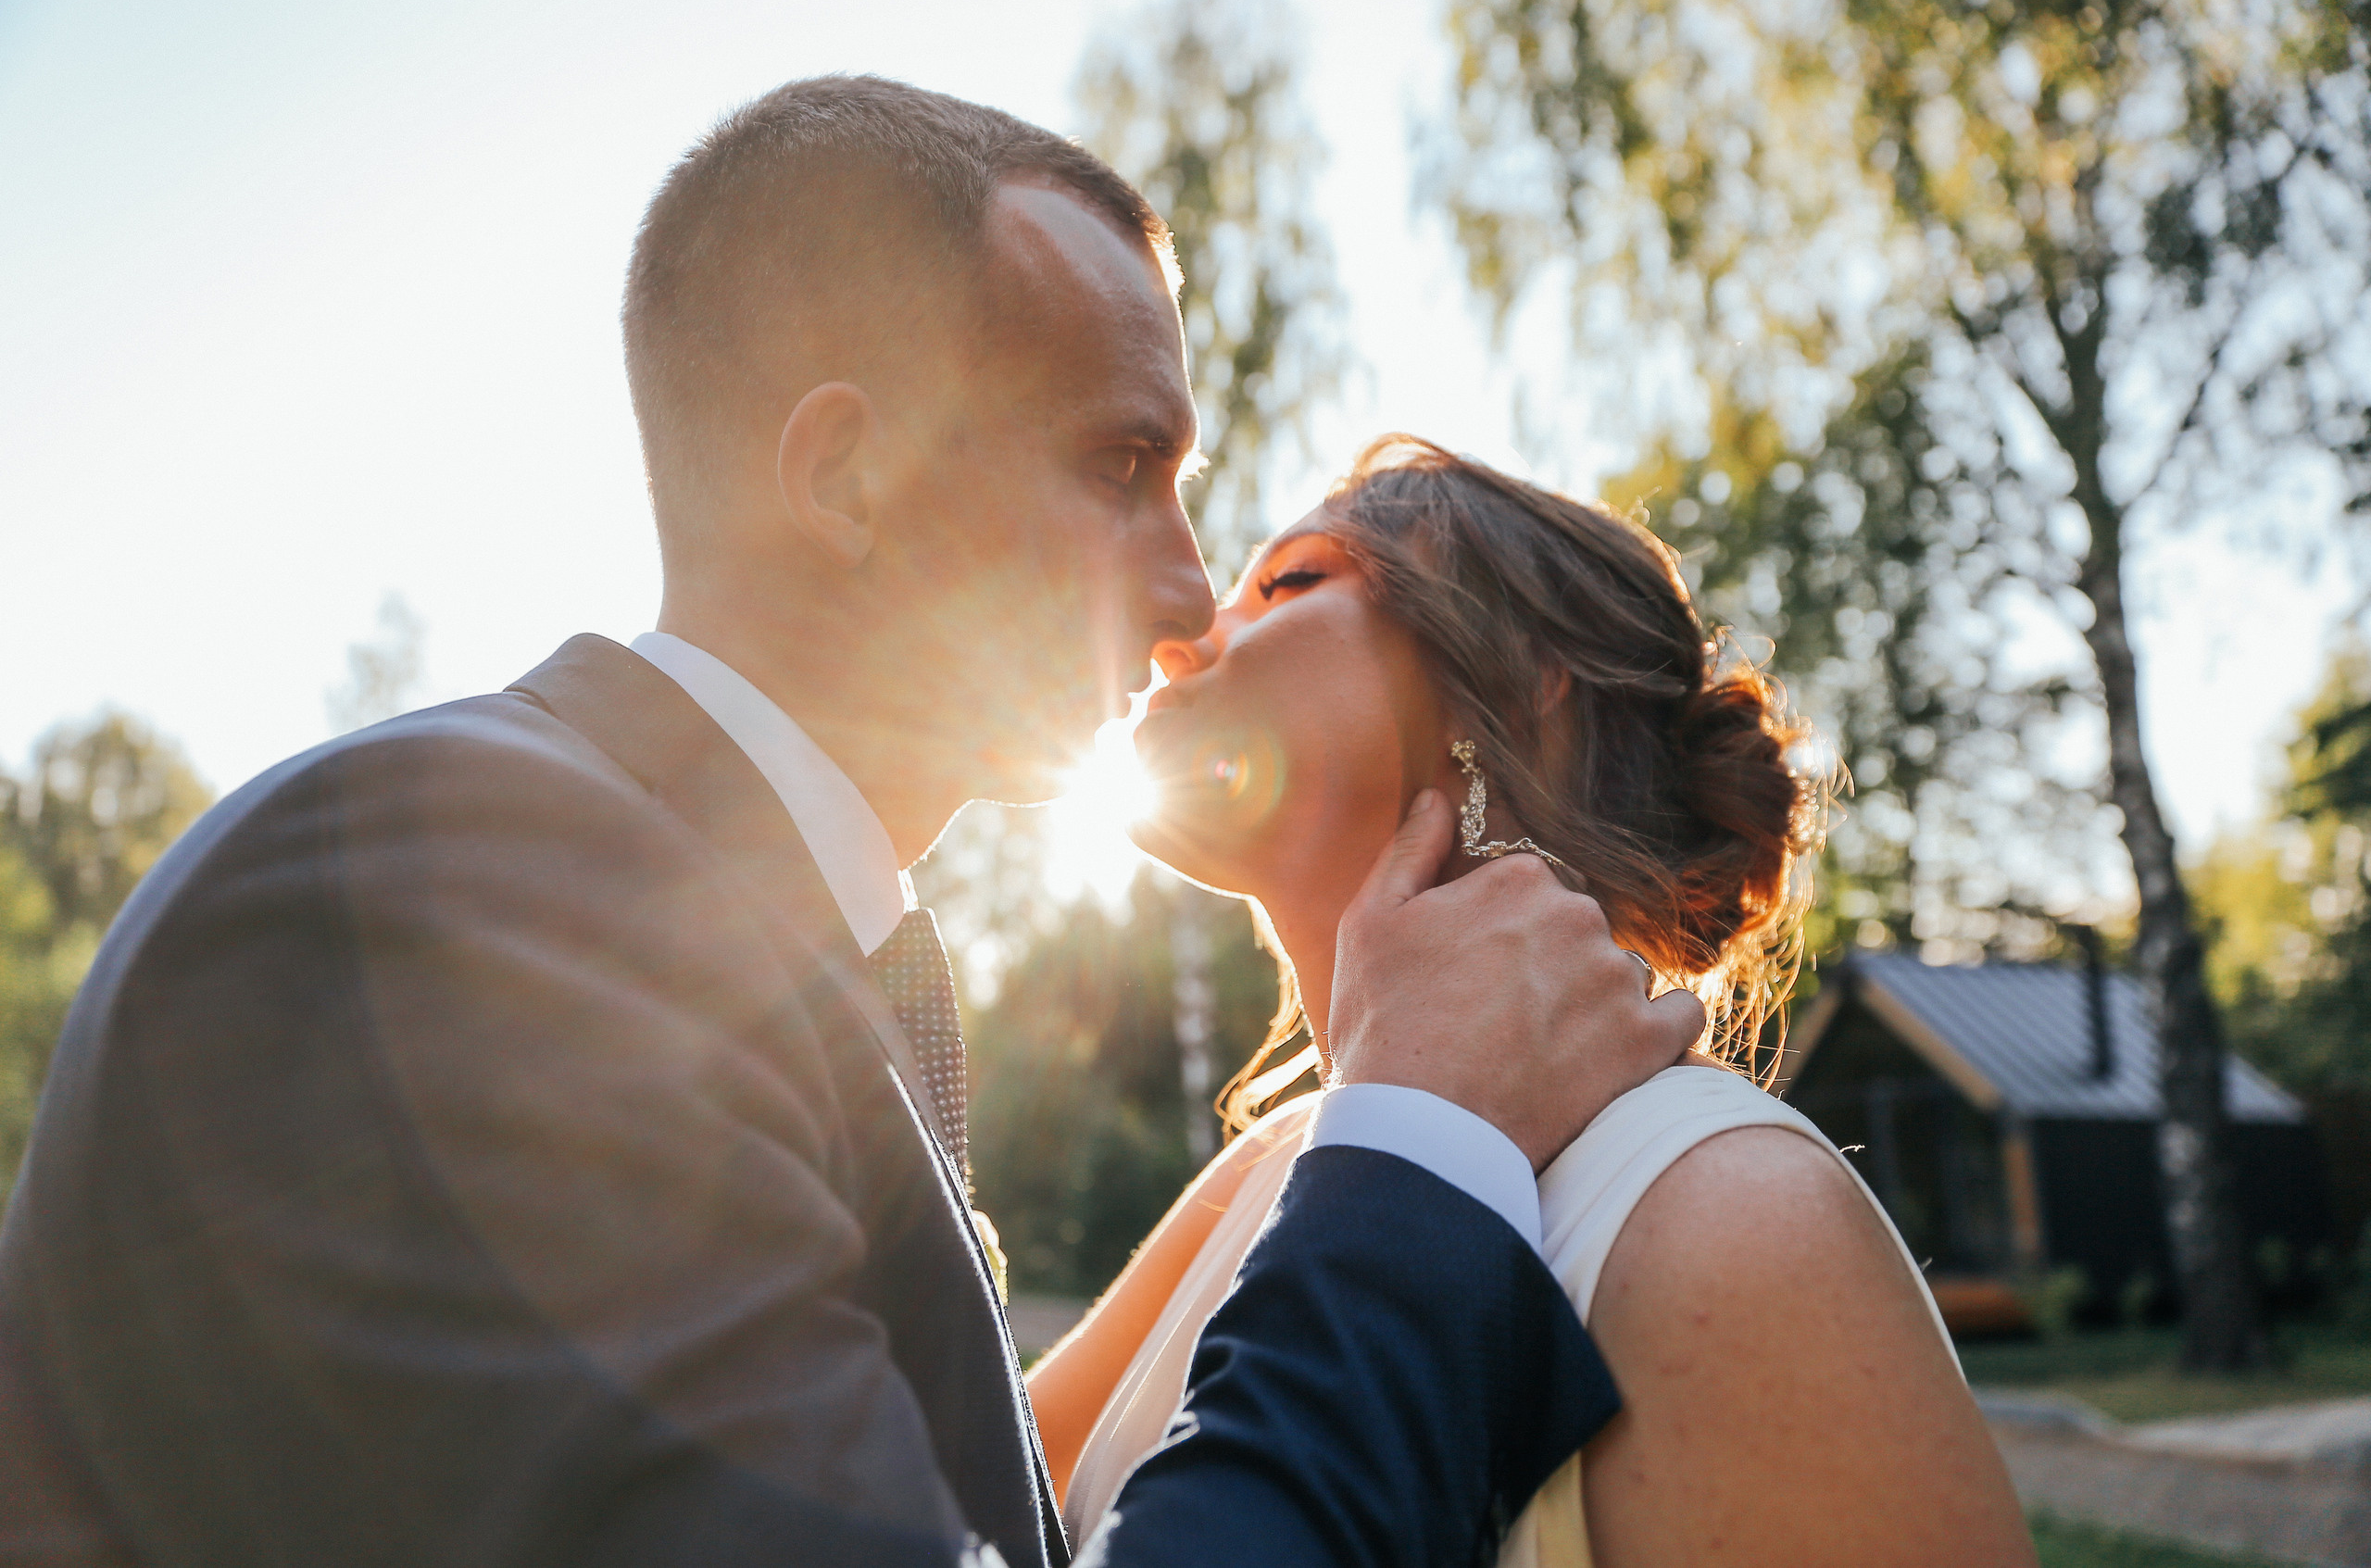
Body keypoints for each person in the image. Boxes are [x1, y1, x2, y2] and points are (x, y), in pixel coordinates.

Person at [0, 81, 1703, 1567]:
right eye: (1122, 466)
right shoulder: (461, 905)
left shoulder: (753, 952)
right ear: (841, 478)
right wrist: (1417, 1146)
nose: (1193, 598)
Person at [1030, 438, 2038, 1567]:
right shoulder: (1285, 1162)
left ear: (1516, 674)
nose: (1181, 637)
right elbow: (966, 1489)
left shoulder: (1733, 1220)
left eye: (1291, 582)